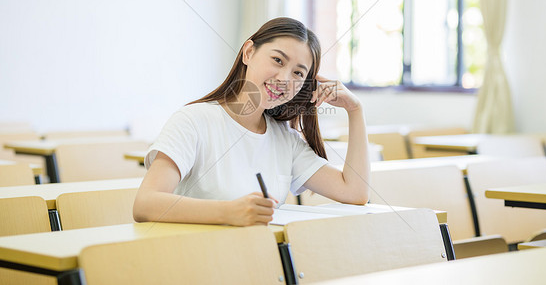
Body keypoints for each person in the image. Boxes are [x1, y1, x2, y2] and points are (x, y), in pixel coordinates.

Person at [133, 17, 369, 226]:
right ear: (248, 53)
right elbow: (145, 203)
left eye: (298, 73)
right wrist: (229, 212)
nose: (284, 79)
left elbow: (355, 192)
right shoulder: (193, 121)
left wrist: (355, 109)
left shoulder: (285, 139)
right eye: (278, 60)